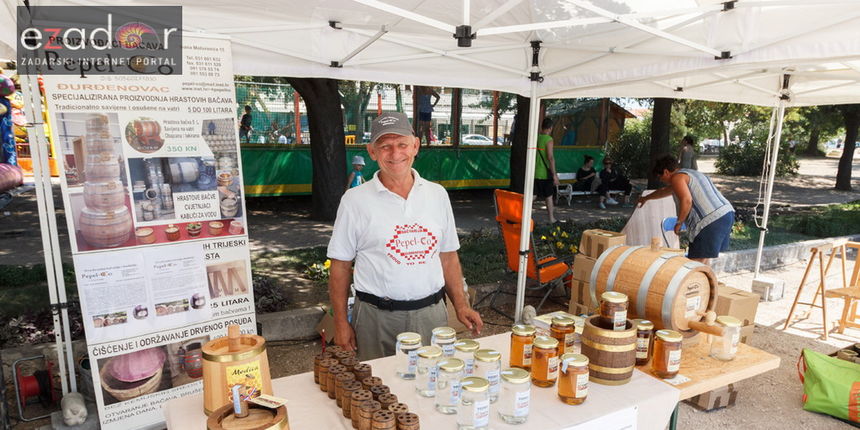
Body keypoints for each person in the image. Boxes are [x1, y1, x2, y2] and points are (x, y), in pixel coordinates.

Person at [327, 112, 483, 361]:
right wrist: (340, 322)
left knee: (432, 379)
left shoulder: (437, 195)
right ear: (372, 152)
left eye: (402, 144)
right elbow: (340, 265)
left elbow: (448, 257)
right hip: (375, 319)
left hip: (432, 315)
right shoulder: (354, 201)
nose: (395, 153)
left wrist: (461, 305)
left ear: (415, 146)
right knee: (377, 383)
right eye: (385, 146)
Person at [638, 155, 734, 264]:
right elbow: (663, 192)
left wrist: (679, 222)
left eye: (660, 177)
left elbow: (687, 200)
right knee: (703, 260)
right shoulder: (690, 174)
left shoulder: (677, 178)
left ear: (666, 172)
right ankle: (706, 275)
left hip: (710, 220)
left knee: (693, 264)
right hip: (726, 214)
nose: (661, 180)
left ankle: (696, 275)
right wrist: (645, 198)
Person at [534, 117, 560, 224]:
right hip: (545, 173)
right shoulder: (548, 139)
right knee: (549, 196)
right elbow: (550, 157)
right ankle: (551, 219)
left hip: (535, 171)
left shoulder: (537, 138)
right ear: (550, 128)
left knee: (533, 195)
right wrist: (554, 175)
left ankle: (521, 214)